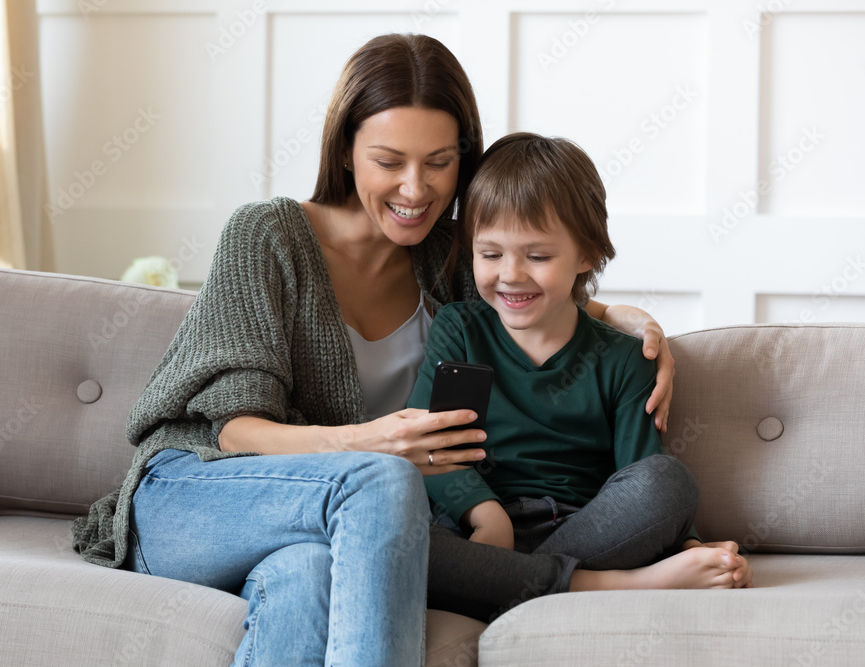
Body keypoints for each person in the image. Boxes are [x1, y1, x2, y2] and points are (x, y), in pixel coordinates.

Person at [72, 34, 680, 666]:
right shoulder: (268, 236)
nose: (414, 189)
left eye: (439, 162)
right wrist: (369, 443)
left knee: (307, 577)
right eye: (389, 161)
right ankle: (564, 581)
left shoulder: (448, 258)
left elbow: (530, 291)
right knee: (384, 482)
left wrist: (626, 320)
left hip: (323, 523)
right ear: (345, 153)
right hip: (194, 497)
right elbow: (233, 431)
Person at [408, 132, 753, 623]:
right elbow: (435, 448)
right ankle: (613, 586)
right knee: (402, 548)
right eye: (490, 254)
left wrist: (694, 547)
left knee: (668, 481)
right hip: (477, 528)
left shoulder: (624, 358)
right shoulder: (460, 330)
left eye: (538, 256)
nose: (510, 274)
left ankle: (509, 581)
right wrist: (487, 515)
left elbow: (642, 472)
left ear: (587, 254)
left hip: (585, 529)